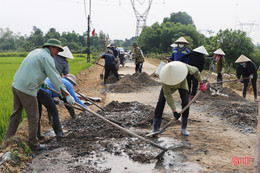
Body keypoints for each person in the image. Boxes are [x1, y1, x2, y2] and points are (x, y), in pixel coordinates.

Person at [4, 39, 75, 152]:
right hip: (27, 89)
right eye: (57, 49)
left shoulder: (36, 52)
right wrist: (67, 95)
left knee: (16, 115)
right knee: (34, 117)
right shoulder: (47, 58)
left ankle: (6, 141)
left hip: (16, 85)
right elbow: (56, 78)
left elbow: (32, 70)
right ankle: (33, 144)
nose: (58, 52)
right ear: (51, 47)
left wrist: (42, 83)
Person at [147, 61, 206, 136]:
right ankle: (155, 128)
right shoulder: (164, 78)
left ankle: (183, 128)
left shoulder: (184, 67)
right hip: (169, 85)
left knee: (185, 102)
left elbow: (196, 71)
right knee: (161, 101)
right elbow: (168, 95)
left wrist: (201, 82)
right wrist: (174, 111)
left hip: (182, 84)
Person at [37, 74, 89, 139]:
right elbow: (75, 99)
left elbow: (51, 97)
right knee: (54, 113)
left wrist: (56, 101)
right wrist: (86, 108)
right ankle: (59, 134)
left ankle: (38, 135)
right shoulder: (68, 84)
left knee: (37, 114)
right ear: (72, 82)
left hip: (36, 90)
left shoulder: (60, 80)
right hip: (44, 92)